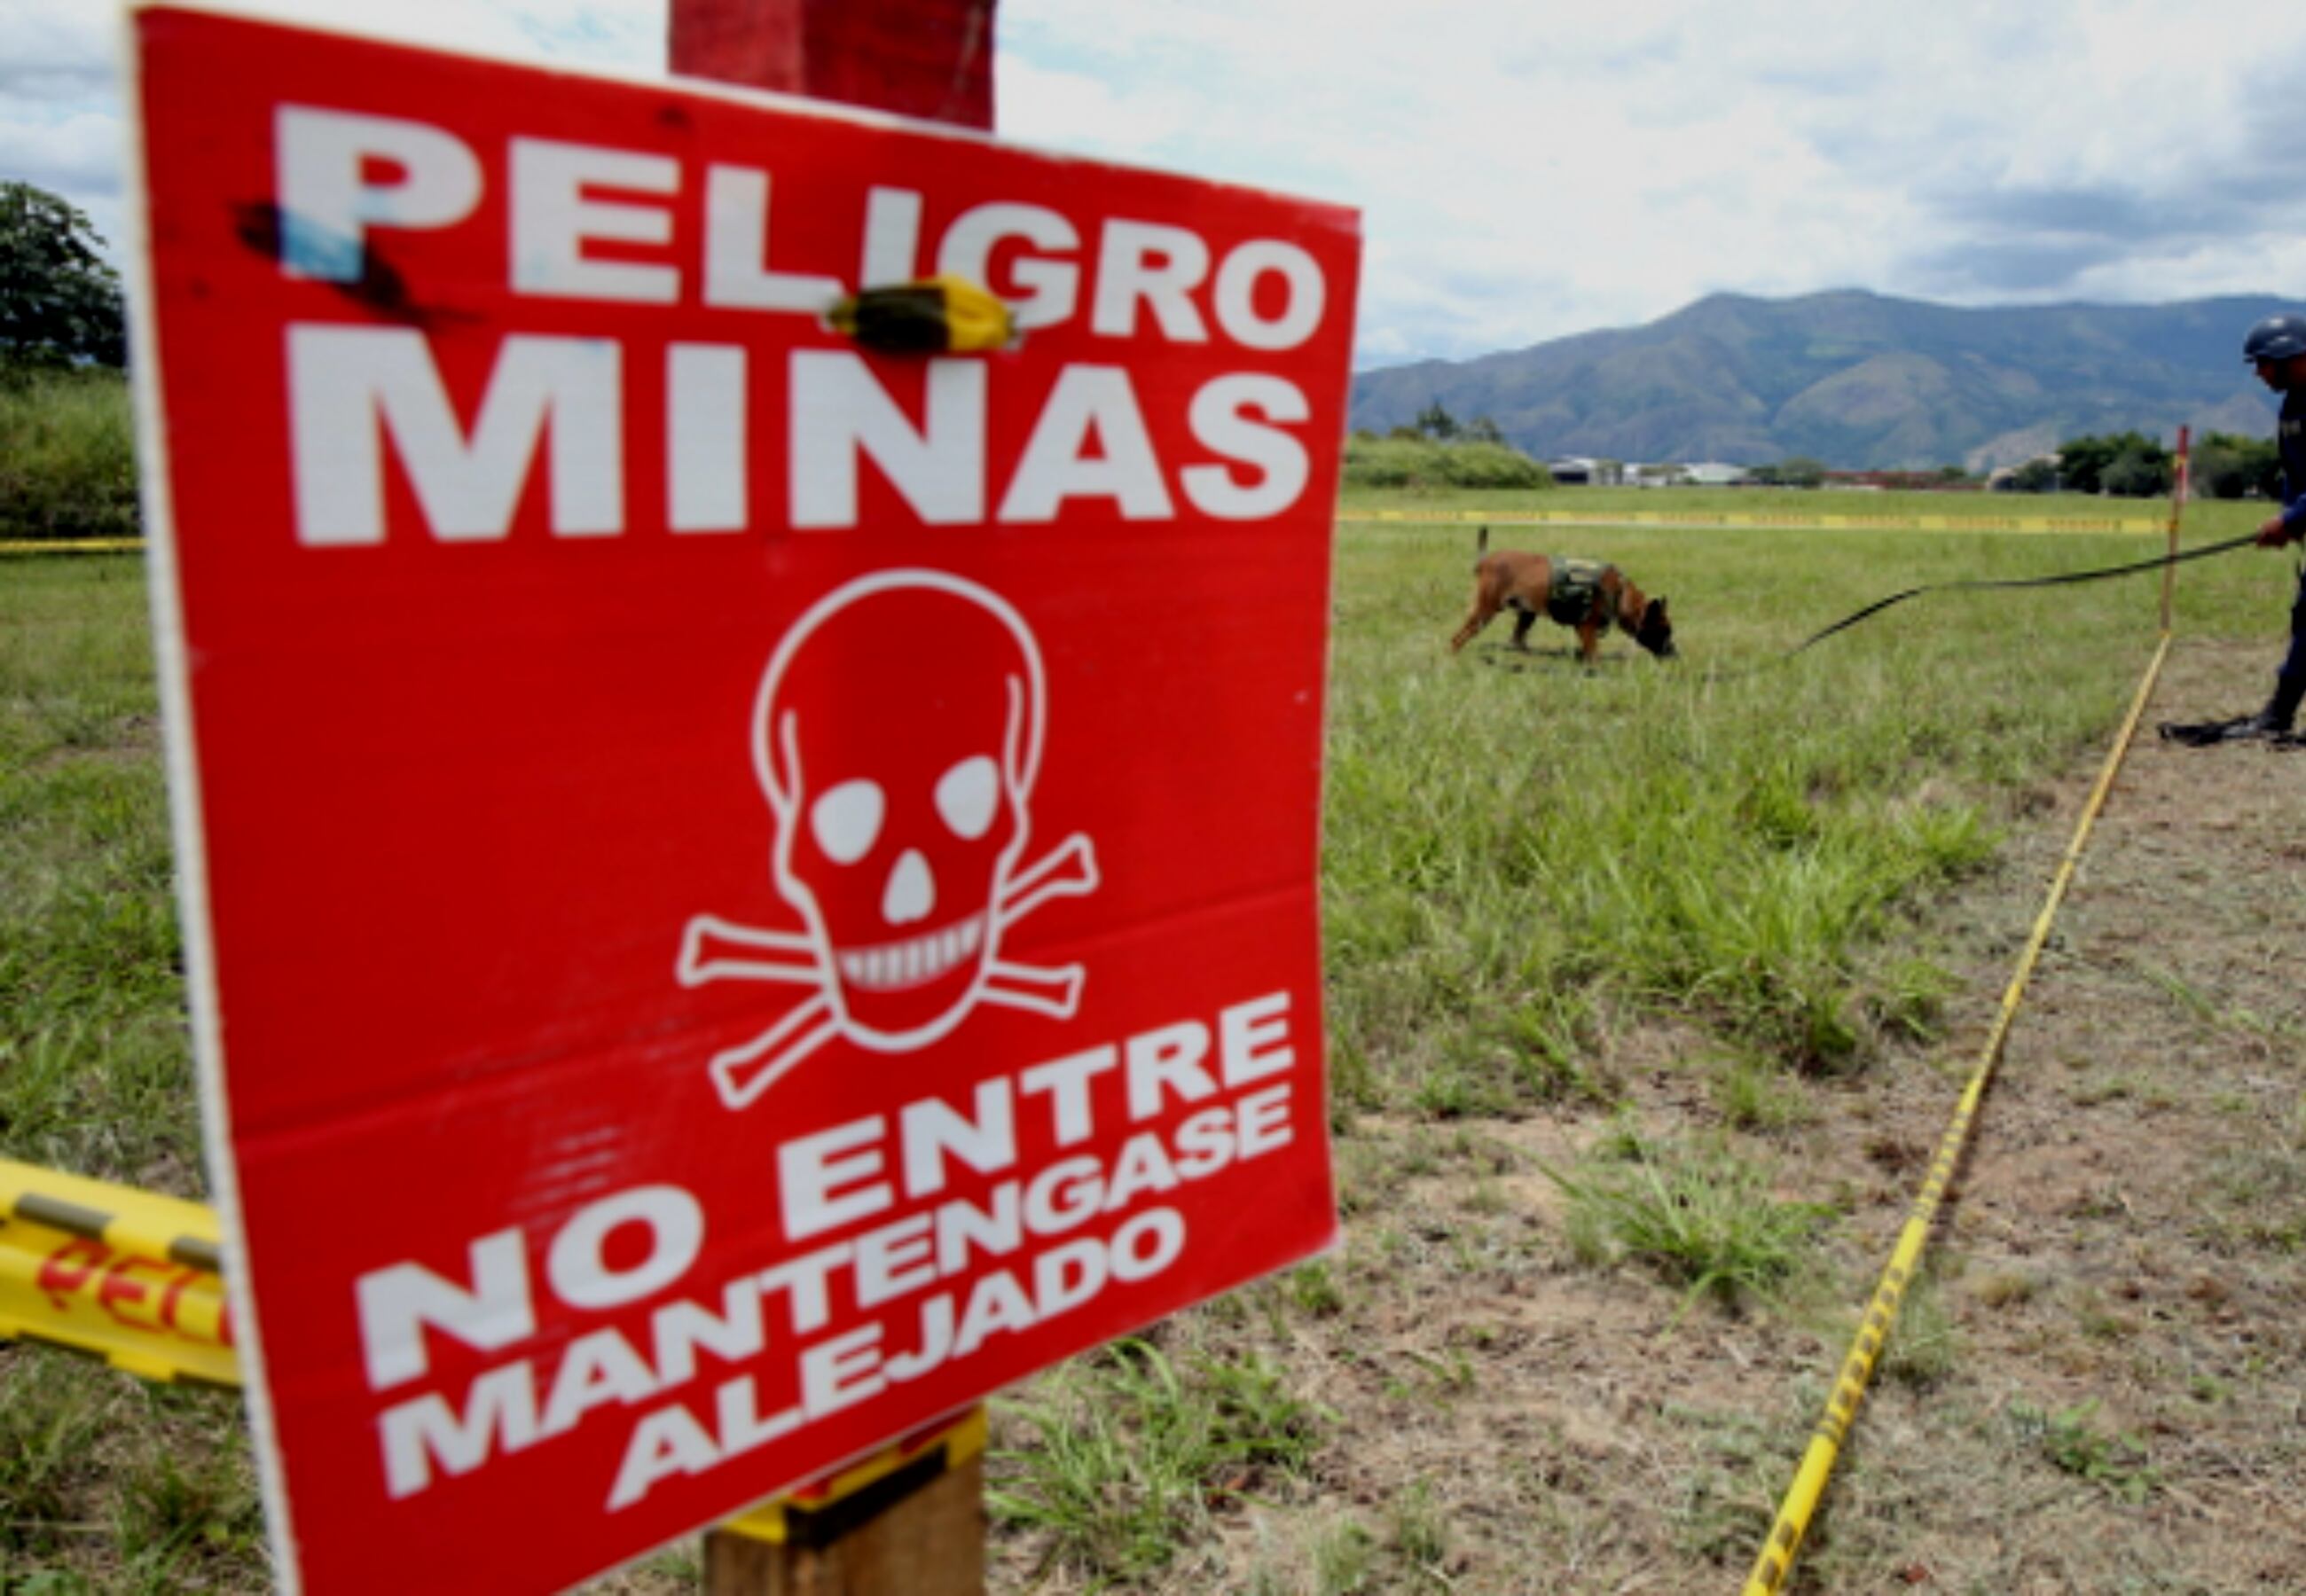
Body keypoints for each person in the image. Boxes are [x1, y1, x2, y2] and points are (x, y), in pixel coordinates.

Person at [2237, 313, 2306, 738]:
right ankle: (2278, 715)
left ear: (2293, 356)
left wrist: (2290, 520)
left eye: (2265, 362)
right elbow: (2296, 474)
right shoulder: (2293, 405)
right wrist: (2289, 519)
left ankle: (2277, 717)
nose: (2260, 372)